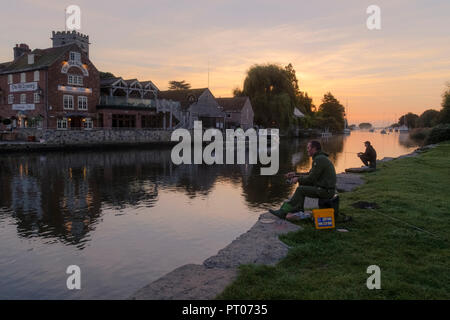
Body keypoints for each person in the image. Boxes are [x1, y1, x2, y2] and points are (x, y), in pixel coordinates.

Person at [269, 140, 336, 220]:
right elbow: (310, 174)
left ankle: (283, 211)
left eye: (308, 148)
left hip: (326, 191)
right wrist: (295, 174)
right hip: (325, 188)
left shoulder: (319, 159)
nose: (307, 150)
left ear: (314, 149)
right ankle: (298, 208)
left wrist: (297, 179)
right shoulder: (319, 158)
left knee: (300, 189)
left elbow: (311, 179)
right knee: (302, 185)